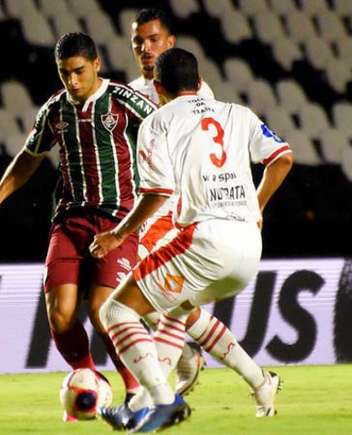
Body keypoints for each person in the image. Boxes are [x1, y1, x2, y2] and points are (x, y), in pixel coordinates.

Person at [90, 48, 293, 432]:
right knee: (178, 311)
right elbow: (282, 157)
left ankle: (162, 402)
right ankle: (147, 402)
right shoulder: (238, 113)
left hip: (203, 238)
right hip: (249, 246)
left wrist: (119, 234)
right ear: (200, 82)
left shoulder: (158, 120)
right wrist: (257, 206)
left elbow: (157, 191)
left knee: (115, 312)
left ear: (159, 88)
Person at [0, 32, 157, 420]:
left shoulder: (125, 102)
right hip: (70, 220)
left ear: (96, 65)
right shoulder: (55, 110)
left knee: (104, 310)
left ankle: (138, 393)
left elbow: (169, 134)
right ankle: (90, 379)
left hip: (118, 219)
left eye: (78, 72)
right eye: (64, 73)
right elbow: (30, 156)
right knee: (59, 314)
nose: (71, 81)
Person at [125, 7, 282, 413]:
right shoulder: (126, 93)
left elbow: (192, 165)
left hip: (177, 210)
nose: (146, 48)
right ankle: (254, 378)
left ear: (170, 43)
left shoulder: (196, 98)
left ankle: (154, 397)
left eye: (154, 39)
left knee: (145, 302)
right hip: (157, 208)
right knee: (175, 306)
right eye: (139, 41)